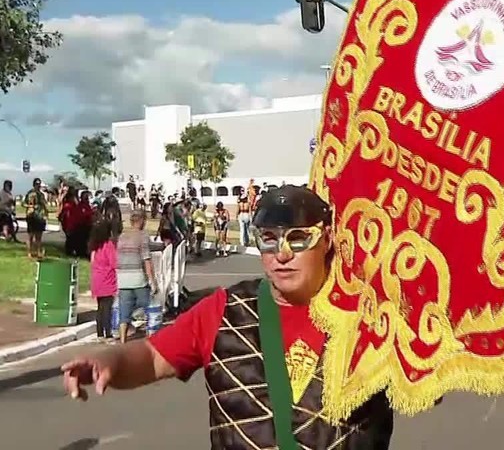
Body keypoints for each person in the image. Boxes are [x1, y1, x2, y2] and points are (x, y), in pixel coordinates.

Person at [61, 185, 396, 448]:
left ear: (326, 241)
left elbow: (430, 374)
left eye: (297, 239)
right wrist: (109, 362)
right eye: (269, 240)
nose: (282, 254)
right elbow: (151, 356)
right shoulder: (224, 310)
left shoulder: (370, 317)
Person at [115, 210, 158, 343]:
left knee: (124, 310)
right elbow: (146, 260)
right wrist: (153, 281)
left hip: (122, 278)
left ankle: (123, 340)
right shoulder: (143, 236)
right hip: (138, 277)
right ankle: (151, 337)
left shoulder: (121, 237)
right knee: (150, 306)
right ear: (142, 221)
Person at [89, 220, 118, 342]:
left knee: (100, 308)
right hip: (108, 280)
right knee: (107, 308)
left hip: (97, 280)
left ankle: (99, 333)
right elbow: (114, 263)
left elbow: (92, 261)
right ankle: (108, 334)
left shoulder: (94, 246)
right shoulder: (108, 245)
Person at [24, 178, 48, 260]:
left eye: (39, 184)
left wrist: (46, 213)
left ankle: (38, 252)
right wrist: (31, 206)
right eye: (36, 184)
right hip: (31, 216)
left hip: (40, 216)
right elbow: (24, 203)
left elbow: (44, 204)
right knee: (30, 236)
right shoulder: (30, 193)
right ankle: (29, 252)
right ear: (34, 184)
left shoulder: (41, 195)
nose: (38, 186)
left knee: (39, 236)